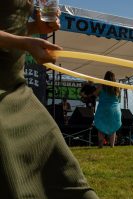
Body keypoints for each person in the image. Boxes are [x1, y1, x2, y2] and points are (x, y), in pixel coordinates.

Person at [0, 1, 99, 198]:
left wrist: (35, 28)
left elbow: (9, 26)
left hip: (16, 88)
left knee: (66, 176)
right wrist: (24, 43)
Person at [94, 71, 122, 148]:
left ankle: (100, 144)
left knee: (100, 126)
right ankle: (112, 145)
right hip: (114, 110)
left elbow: (95, 94)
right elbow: (119, 98)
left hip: (103, 108)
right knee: (113, 127)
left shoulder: (101, 86)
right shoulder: (117, 87)